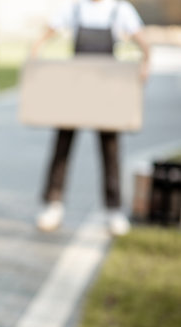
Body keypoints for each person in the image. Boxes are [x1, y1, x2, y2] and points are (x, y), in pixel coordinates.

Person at [31, 0, 149, 235]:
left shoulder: (120, 10)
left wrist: (146, 62)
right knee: (62, 145)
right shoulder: (75, 8)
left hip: (106, 90)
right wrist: (36, 50)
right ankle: (52, 205)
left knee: (110, 149)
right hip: (77, 86)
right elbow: (48, 32)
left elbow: (143, 41)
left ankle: (113, 210)